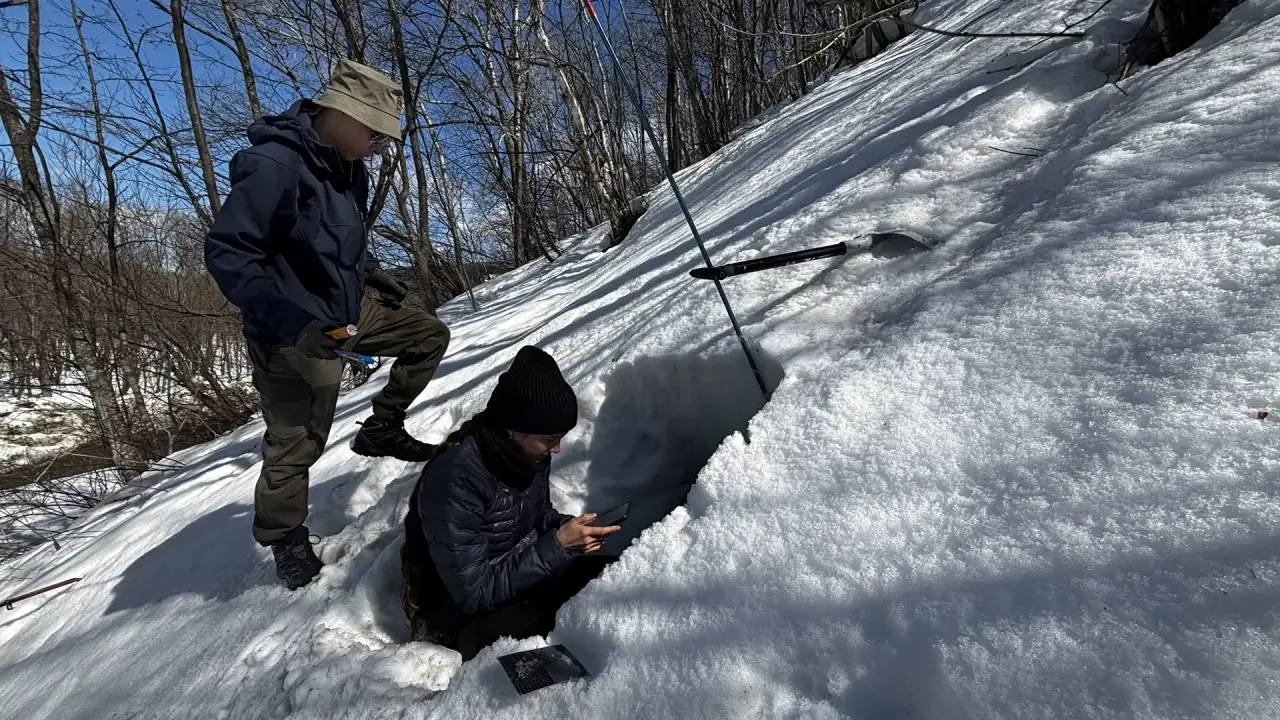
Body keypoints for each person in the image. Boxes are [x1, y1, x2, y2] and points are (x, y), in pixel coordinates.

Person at [205, 59, 451, 590]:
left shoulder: (349, 168)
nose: (381, 147)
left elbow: (335, 244)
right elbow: (230, 255)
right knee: (297, 441)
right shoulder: (274, 166)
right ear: (341, 114)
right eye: (375, 133)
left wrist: (372, 273)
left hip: (345, 313)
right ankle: (285, 537)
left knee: (428, 335)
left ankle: (382, 427)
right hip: (290, 329)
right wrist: (294, 324)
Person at [400, 346, 620, 660]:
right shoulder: (455, 478)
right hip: (468, 618)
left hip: (524, 579)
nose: (557, 449)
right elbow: (473, 594)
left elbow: (535, 516)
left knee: (611, 576)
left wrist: (569, 529)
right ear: (513, 429)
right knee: (560, 639)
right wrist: (557, 546)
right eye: (550, 438)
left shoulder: (526, 454)